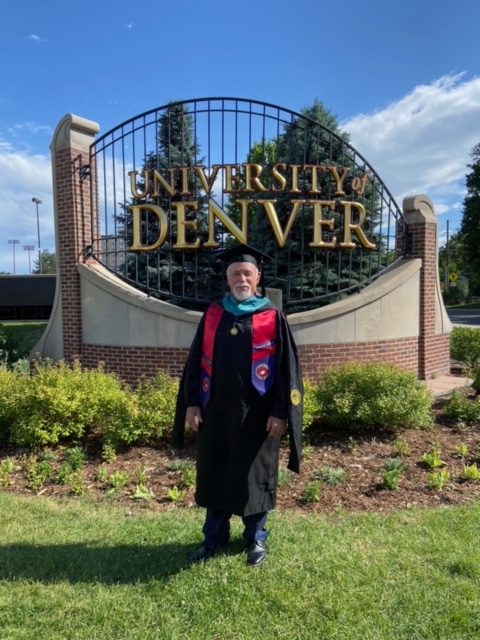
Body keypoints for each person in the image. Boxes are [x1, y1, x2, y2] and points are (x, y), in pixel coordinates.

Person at [172, 243, 303, 567]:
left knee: (253, 477)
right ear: (227, 278)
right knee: (215, 473)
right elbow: (193, 363)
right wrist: (192, 404)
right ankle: (213, 538)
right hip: (215, 413)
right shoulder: (214, 314)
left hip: (257, 417)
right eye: (235, 274)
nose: (241, 278)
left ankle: (255, 539)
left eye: (247, 273)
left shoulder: (271, 317)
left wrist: (279, 411)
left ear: (257, 277)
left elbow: (287, 371)